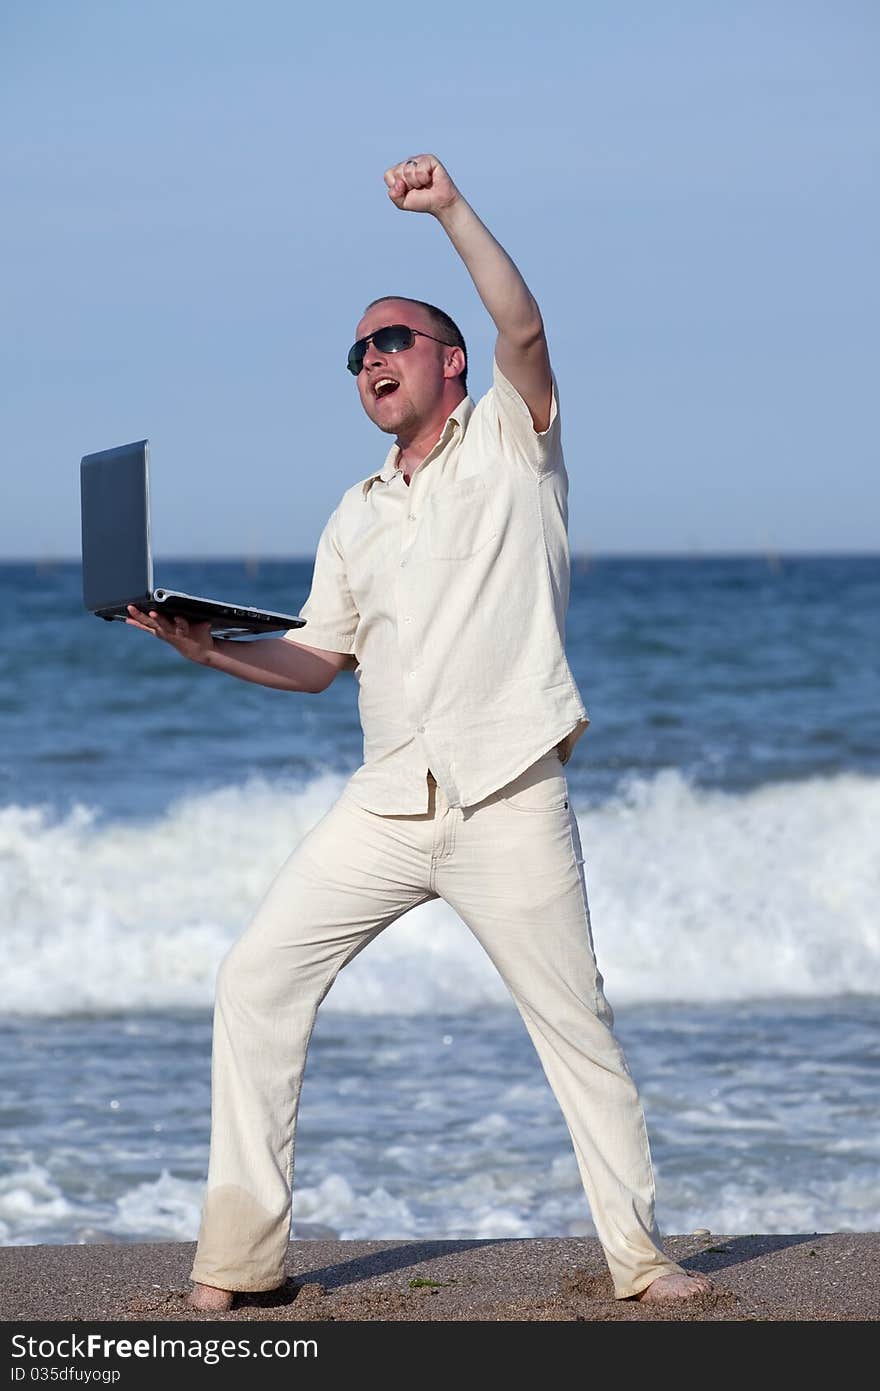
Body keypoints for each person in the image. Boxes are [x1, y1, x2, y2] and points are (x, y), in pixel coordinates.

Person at [126, 154, 714, 1310]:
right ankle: (240, 1261)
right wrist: (208, 649)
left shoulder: (513, 442)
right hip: (389, 801)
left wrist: (447, 208)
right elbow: (317, 661)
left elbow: (525, 322)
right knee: (254, 978)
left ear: (449, 361)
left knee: (574, 1028)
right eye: (355, 353)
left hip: (507, 793)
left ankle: (640, 1260)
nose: (370, 361)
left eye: (390, 339)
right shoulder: (354, 513)